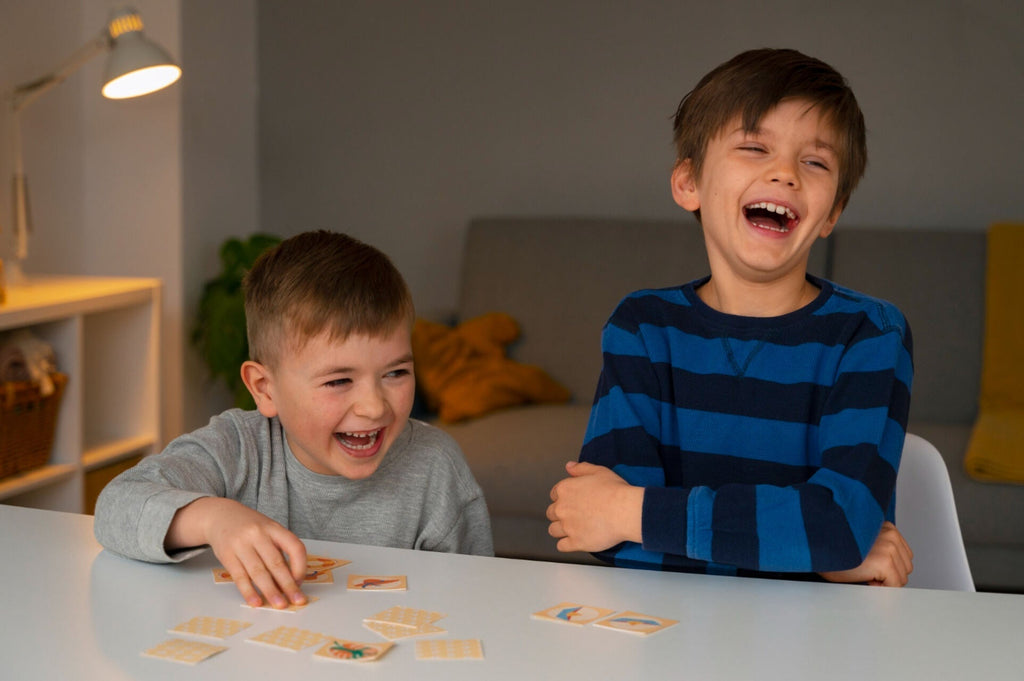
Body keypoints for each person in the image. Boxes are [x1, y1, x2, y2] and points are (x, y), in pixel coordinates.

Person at [547, 48, 914, 586]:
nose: (785, 174)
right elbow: (609, 540)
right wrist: (810, 554)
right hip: (669, 624)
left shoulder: (871, 335)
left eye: (815, 162)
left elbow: (838, 527)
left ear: (832, 212)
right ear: (688, 183)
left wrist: (633, 512)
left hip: (821, 632)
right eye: (754, 147)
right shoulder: (642, 328)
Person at [95, 230, 493, 608]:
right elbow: (115, 507)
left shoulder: (436, 466)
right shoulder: (236, 447)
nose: (374, 407)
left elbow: (477, 599)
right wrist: (213, 518)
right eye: (339, 380)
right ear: (265, 389)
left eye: (396, 372)